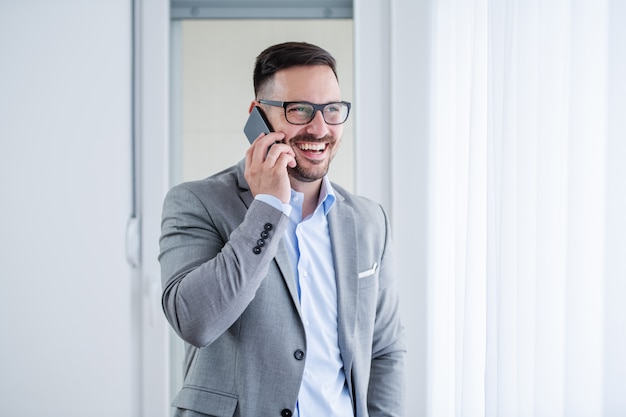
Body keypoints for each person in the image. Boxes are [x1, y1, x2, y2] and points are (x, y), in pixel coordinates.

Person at [159, 41, 406, 417]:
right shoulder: (196, 203)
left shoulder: (369, 220)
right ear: (258, 116)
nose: (320, 128)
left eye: (332, 110)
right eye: (300, 110)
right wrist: (269, 207)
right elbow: (196, 321)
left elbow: (384, 350)